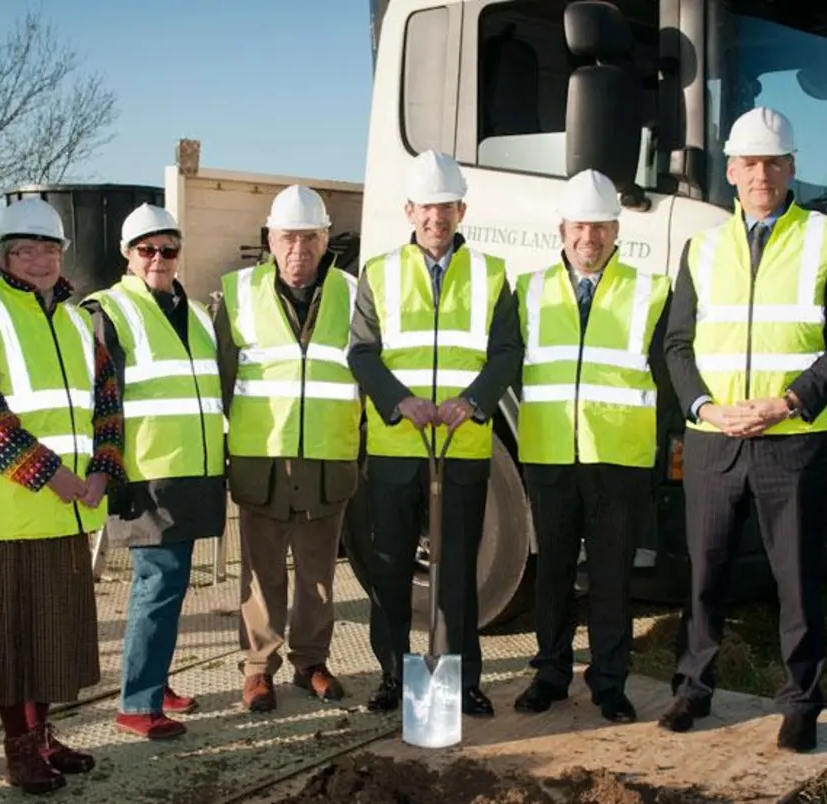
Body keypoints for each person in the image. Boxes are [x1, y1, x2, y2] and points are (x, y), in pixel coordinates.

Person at [0, 198, 125, 793]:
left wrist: (104, 469)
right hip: (6, 512)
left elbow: (107, 405)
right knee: (8, 640)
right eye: (25, 250)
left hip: (66, 509)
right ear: (4, 257)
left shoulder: (79, 322)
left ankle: (42, 735)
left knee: (51, 638)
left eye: (49, 249)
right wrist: (51, 474)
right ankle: (18, 747)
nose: (39, 261)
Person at [660, 106, 827, 753]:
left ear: (791, 169)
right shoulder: (702, 248)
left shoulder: (821, 238)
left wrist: (789, 402)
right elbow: (677, 344)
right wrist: (704, 408)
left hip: (795, 441)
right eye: (750, 163)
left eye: (773, 163)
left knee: (798, 579)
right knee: (703, 575)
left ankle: (802, 700)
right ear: (731, 170)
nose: (762, 174)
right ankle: (692, 687)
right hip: (715, 442)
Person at [348, 149, 520, 717]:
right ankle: (393, 675)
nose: (436, 217)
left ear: (461, 211)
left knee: (457, 572)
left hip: (462, 447)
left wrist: (473, 402)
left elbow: (506, 352)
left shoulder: (491, 274)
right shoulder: (379, 273)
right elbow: (362, 354)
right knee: (391, 568)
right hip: (396, 448)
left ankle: (460, 679)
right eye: (426, 207)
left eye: (446, 207)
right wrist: (400, 402)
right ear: (409, 211)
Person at [510, 170, 671, 723]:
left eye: (600, 227)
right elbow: (507, 363)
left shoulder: (651, 290)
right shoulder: (528, 289)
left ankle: (609, 681)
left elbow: (667, 379)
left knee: (611, 576)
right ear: (562, 229)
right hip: (550, 454)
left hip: (618, 460)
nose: (590, 238)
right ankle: (550, 674)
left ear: (616, 230)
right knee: (552, 572)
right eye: (580, 226)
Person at [82, 204, 226, 740]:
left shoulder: (197, 313)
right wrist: (110, 470)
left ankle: (155, 682)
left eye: (168, 249)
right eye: (147, 249)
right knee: (158, 584)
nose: (158, 258)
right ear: (127, 254)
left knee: (171, 585)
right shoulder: (108, 310)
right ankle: (137, 705)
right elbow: (101, 398)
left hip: (193, 470)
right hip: (146, 475)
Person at [215, 185, 361, 712]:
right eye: (288, 238)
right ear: (270, 240)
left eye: (309, 238)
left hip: (327, 457)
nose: (298, 250)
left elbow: (366, 373)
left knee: (319, 573)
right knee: (262, 573)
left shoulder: (354, 293)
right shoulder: (237, 293)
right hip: (263, 459)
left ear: (326, 240)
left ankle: (311, 662)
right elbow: (221, 379)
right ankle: (259, 667)